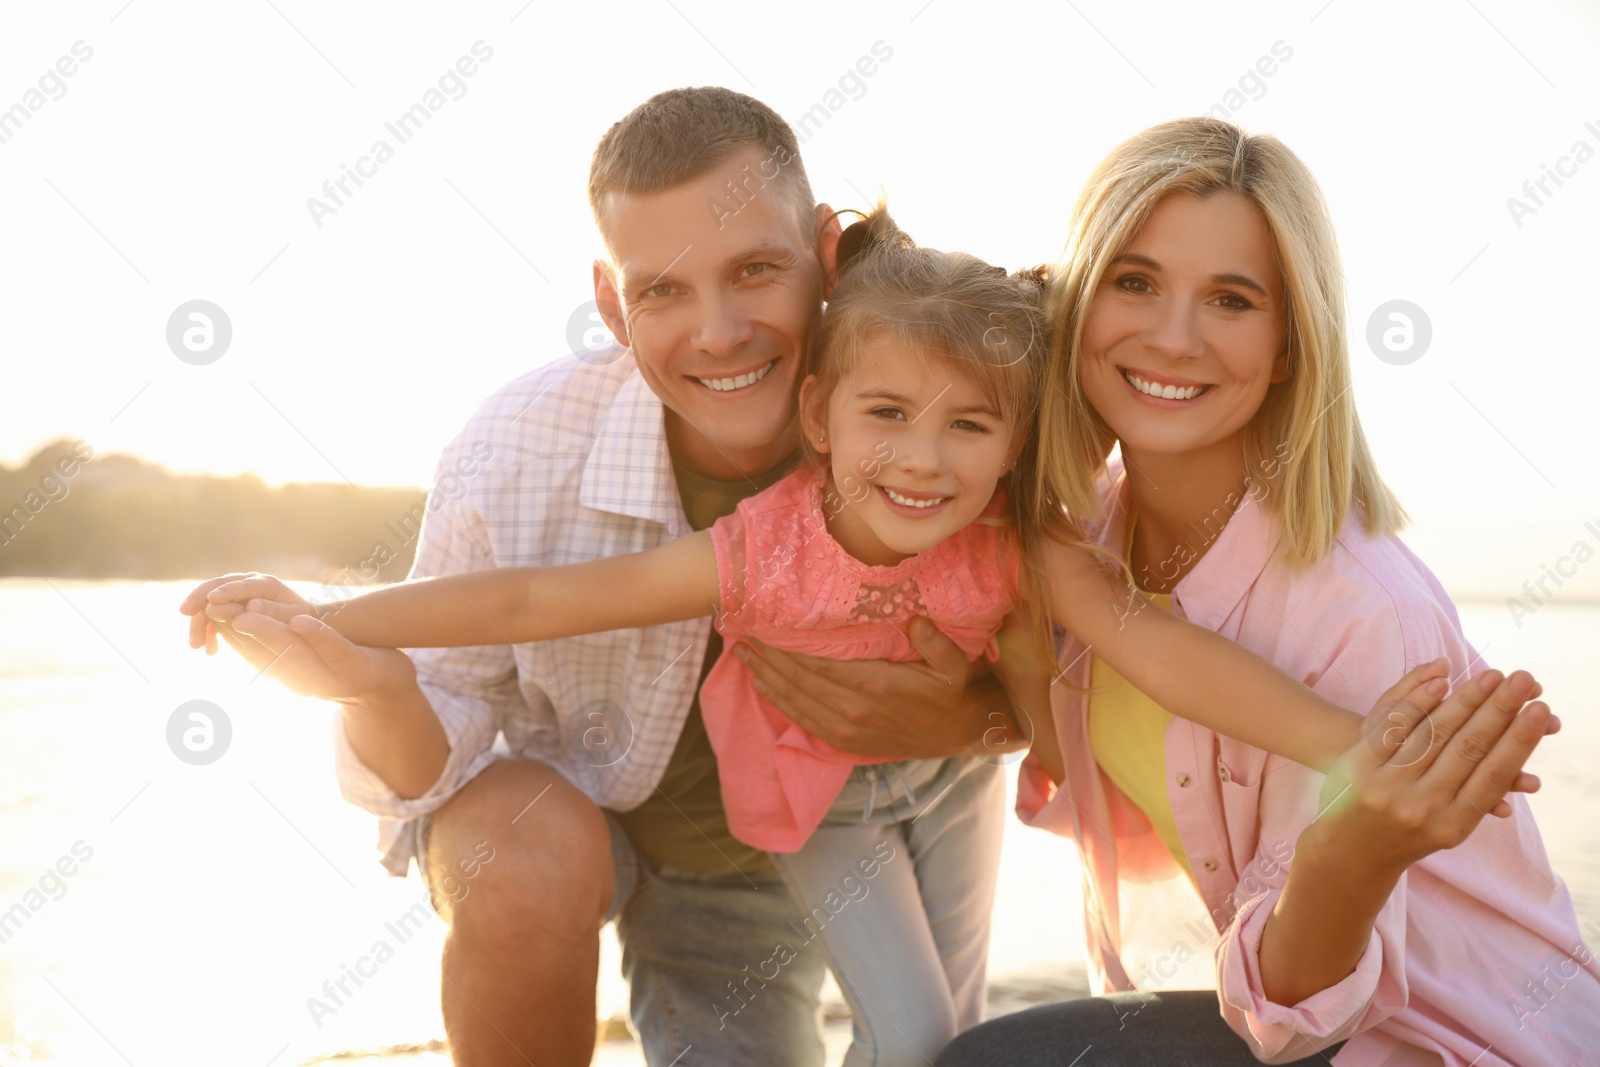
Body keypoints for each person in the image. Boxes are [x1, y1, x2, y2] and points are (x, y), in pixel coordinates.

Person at [179, 87, 1039, 1067]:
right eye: (663, 290)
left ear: (827, 251)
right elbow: (447, 737)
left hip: (904, 809)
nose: (719, 333)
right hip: (674, 859)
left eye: (755, 270)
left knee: (948, 1045)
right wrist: (357, 652)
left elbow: (1095, 636)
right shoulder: (515, 455)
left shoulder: (932, 405)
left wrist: (973, 719)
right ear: (610, 304)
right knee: (524, 863)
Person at [937, 118, 1599, 1066]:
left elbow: (1304, 1017)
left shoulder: (1366, 614)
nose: (1173, 337)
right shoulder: (1088, 548)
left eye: (1231, 300)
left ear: (1289, 346)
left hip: (1440, 1040)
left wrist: (1346, 853)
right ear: (1077, 300)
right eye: (1135, 282)